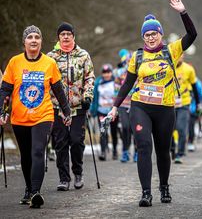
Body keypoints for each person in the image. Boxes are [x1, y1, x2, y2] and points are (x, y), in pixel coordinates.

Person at [109, 0, 197, 207]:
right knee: (144, 147)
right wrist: (114, 107)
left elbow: (192, 34)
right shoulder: (137, 57)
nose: (150, 38)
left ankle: (164, 186)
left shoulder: (172, 50)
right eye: (146, 35)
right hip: (140, 106)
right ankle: (146, 193)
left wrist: (183, 12)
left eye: (154, 34)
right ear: (143, 37)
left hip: (165, 108)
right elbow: (127, 84)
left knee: (162, 151)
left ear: (160, 34)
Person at [0, 25, 71, 208]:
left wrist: (66, 110)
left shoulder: (49, 63)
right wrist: (1, 110)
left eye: (37, 37)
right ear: (24, 42)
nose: (33, 40)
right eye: (30, 37)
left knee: (38, 151)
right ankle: (29, 188)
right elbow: (5, 90)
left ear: (41, 42)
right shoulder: (14, 62)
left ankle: (35, 192)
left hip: (43, 115)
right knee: (26, 155)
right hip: (19, 117)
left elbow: (59, 90)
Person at [48, 22, 95, 191]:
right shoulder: (51, 57)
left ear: (73, 36)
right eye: (62, 34)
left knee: (76, 141)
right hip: (57, 107)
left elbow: (90, 77)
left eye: (69, 34)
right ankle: (63, 178)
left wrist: (88, 96)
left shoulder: (83, 55)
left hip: (78, 105)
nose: (66, 37)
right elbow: (46, 81)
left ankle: (78, 173)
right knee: (60, 142)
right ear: (58, 37)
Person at [90, 63, 119, 161]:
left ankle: (115, 151)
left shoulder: (116, 82)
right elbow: (94, 97)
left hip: (113, 111)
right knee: (103, 131)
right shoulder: (98, 83)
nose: (106, 74)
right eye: (104, 72)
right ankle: (103, 152)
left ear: (111, 73)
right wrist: (91, 109)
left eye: (108, 72)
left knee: (114, 131)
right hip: (101, 110)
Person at [173, 56, 199, 163]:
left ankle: (180, 153)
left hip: (184, 102)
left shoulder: (189, 69)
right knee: (169, 129)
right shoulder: (167, 67)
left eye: (181, 55)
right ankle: (171, 149)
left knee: (181, 128)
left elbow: (195, 86)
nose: (179, 57)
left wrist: (198, 102)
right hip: (169, 103)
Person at [113, 49, 137, 163]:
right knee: (126, 127)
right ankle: (125, 152)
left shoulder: (141, 72)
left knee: (136, 129)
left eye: (132, 60)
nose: (130, 62)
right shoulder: (120, 73)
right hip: (123, 104)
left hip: (137, 104)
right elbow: (116, 89)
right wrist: (115, 105)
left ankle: (137, 152)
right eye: (128, 60)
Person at [188, 78, 202, 152]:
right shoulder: (180, 78)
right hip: (181, 106)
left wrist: (199, 105)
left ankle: (190, 142)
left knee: (191, 125)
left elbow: (201, 95)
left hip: (193, 107)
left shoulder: (197, 82)